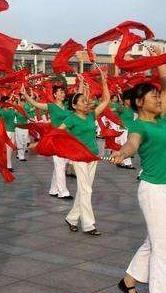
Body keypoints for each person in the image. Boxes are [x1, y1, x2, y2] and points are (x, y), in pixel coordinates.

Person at [110, 48, 166, 293]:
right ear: (138, 103)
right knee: (163, 246)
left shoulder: (161, 116)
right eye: (153, 97)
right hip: (154, 190)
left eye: (158, 96)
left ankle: (129, 281)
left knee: (153, 241)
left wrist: (161, 61)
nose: (159, 98)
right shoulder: (139, 126)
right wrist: (123, 152)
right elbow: (131, 143)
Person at [59, 68, 109, 236]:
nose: (86, 103)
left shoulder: (91, 115)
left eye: (86, 101)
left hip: (93, 156)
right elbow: (57, 133)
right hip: (79, 157)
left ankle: (72, 218)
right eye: (82, 101)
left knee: (83, 190)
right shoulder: (71, 118)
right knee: (87, 190)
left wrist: (103, 80)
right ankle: (89, 225)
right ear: (74, 106)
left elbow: (106, 99)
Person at [22, 85, 73, 200]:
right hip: (56, 138)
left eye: (63, 92)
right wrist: (25, 95)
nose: (62, 94)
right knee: (60, 165)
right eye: (59, 92)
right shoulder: (51, 106)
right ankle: (63, 192)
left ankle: (53, 189)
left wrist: (81, 84)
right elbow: (36, 104)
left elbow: (77, 97)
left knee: (61, 165)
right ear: (54, 94)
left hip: (67, 138)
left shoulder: (67, 107)